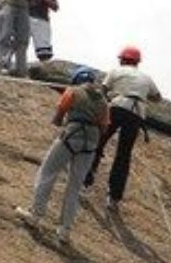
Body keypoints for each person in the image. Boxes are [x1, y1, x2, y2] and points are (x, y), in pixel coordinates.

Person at [16, 66, 110, 244]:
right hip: (91, 143)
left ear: (76, 79)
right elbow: (104, 127)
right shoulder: (103, 101)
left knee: (47, 173)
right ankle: (64, 230)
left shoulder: (72, 91)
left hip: (71, 135)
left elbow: (58, 116)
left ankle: (35, 215)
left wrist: (62, 122)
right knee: (74, 186)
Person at [85, 46, 162, 211]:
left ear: (122, 60)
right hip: (136, 114)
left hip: (118, 106)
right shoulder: (146, 78)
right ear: (137, 62)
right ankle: (114, 197)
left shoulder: (115, 71)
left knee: (100, 140)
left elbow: (102, 90)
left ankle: (86, 175)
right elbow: (157, 98)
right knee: (123, 154)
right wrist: (141, 92)